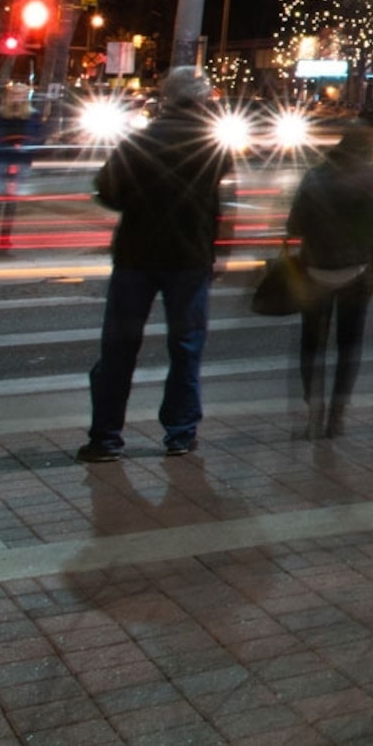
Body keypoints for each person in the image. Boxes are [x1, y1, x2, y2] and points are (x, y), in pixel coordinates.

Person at [78, 67, 232, 462]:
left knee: (119, 348)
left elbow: (108, 190)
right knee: (186, 347)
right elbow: (223, 202)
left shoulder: (139, 141)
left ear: (166, 97)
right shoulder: (213, 144)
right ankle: (180, 433)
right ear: (202, 100)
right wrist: (220, 251)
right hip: (189, 256)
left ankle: (106, 437)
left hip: (137, 254)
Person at [287, 122, 373, 438]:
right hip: (356, 273)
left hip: (315, 270)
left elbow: (294, 226)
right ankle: (336, 417)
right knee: (349, 346)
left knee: (311, 345)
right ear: (367, 148)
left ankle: (313, 414)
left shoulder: (314, 176)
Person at [0, 86, 37, 253]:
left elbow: (36, 137)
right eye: (15, 94)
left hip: (21, 160)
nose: (17, 97)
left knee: (11, 201)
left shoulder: (32, 114)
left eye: (21, 94)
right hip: (1, 158)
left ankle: (4, 240)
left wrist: (24, 147)